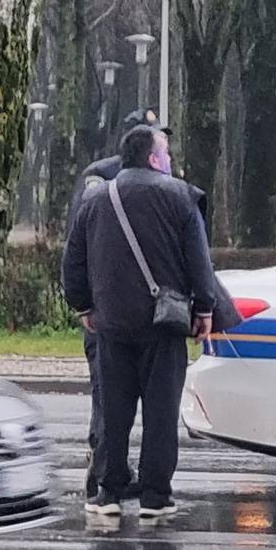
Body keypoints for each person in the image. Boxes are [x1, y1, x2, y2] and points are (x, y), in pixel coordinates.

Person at [62, 125, 219, 518]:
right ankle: (154, 496)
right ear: (152, 158)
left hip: (111, 324)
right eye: (164, 152)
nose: (168, 159)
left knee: (114, 412)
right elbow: (199, 261)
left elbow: (73, 260)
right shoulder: (181, 196)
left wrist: (84, 307)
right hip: (163, 324)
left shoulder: (97, 199)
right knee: (161, 412)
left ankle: (109, 492)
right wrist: (204, 309)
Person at [67, 109, 170, 502]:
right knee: (108, 398)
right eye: (156, 138)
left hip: (123, 308)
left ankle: (117, 476)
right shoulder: (102, 175)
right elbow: (82, 238)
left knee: (114, 396)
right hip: (109, 308)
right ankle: (104, 474)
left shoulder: (162, 180)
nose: (162, 146)